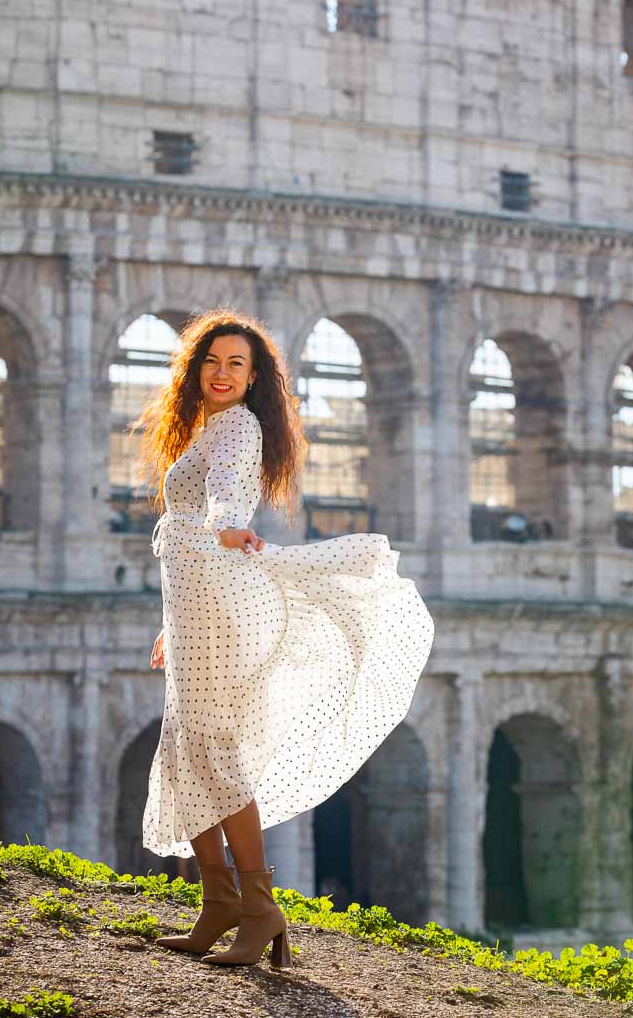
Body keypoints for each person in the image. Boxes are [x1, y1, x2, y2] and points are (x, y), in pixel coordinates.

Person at [134, 308, 435, 969]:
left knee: (213, 748)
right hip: (192, 602)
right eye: (212, 361)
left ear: (254, 376)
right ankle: (218, 905)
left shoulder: (238, 427)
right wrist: (170, 622)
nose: (221, 373)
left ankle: (259, 905)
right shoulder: (208, 427)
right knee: (189, 747)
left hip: (214, 599)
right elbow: (196, 520)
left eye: (236, 363)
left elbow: (226, 500)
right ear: (196, 370)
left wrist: (228, 527)